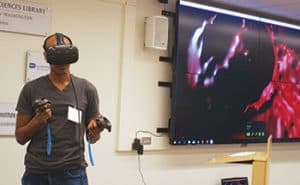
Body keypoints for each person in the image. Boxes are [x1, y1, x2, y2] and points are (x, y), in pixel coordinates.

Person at [15, 32, 104, 185]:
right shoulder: (31, 89)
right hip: (36, 172)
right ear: (46, 57)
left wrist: (95, 132)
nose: (62, 62)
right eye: (56, 55)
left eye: (66, 54)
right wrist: (38, 121)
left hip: (72, 172)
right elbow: (20, 137)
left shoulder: (86, 89)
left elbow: (92, 137)